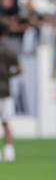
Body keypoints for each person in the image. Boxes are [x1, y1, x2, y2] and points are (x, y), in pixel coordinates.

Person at [0, 23, 23, 162]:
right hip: (5, 89)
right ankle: (9, 152)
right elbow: (20, 68)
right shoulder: (9, 50)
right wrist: (9, 75)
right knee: (6, 122)